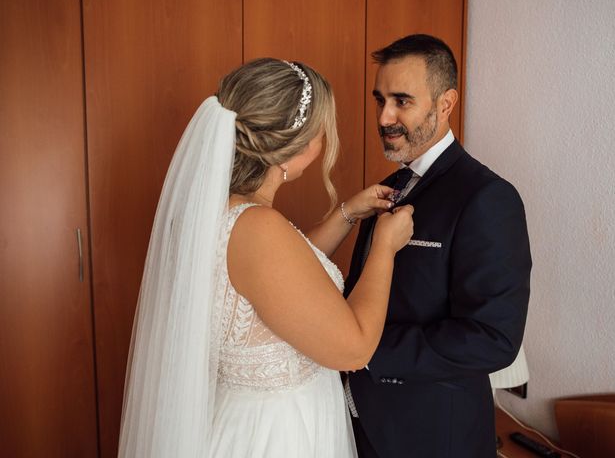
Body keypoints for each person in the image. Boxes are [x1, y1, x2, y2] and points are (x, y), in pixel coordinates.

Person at [117, 57, 414, 458]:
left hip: (244, 418)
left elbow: (282, 283)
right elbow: (355, 347)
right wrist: (384, 246)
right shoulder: (258, 227)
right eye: (320, 128)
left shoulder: (222, 213)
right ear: (296, 145)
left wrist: (347, 213)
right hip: (276, 435)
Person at [344, 34, 532, 457]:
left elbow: (492, 337)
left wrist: (362, 349)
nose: (384, 116)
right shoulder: (389, 188)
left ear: (445, 104)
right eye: (380, 100)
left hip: (433, 435)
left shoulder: (487, 198)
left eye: (402, 101)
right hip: (361, 425)